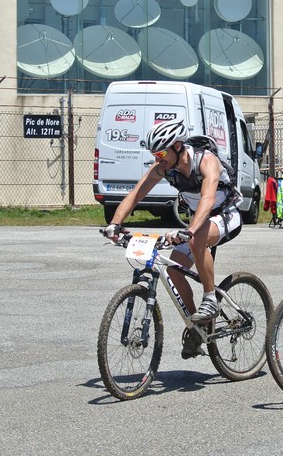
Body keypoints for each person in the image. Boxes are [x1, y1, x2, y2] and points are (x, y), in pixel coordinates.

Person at [103, 120, 242, 358]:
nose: (157, 159)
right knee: (174, 271)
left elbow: (208, 199)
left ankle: (210, 298)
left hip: (226, 215)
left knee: (196, 240)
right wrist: (114, 224)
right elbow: (135, 194)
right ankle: (198, 328)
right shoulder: (163, 168)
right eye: (154, 154)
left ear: (177, 146)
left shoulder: (206, 160)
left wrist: (189, 231)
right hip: (199, 222)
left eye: (160, 153)